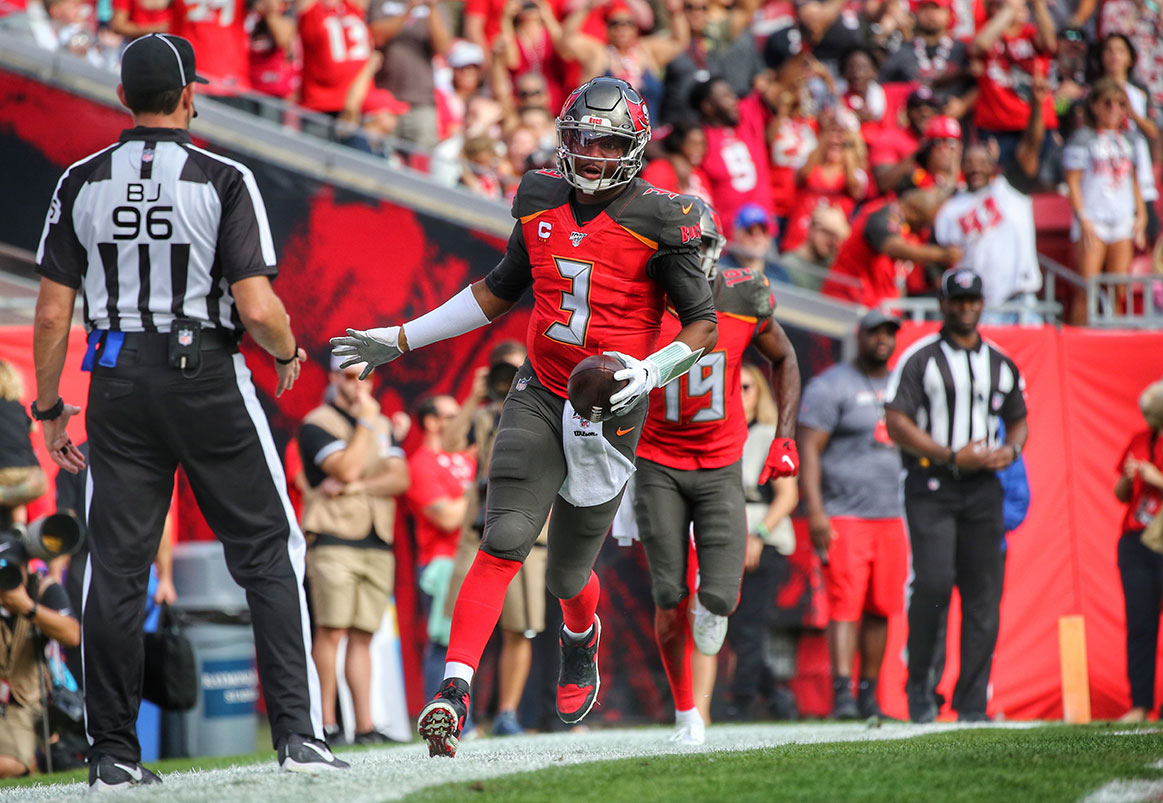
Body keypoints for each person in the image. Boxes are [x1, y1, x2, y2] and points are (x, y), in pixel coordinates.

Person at [331, 76, 718, 758]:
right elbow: (495, 293)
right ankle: (453, 689)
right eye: (579, 139)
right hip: (540, 389)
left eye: (605, 143)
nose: (590, 154)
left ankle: (580, 635)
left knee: (568, 575)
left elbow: (702, 324)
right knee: (503, 537)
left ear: (632, 148)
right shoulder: (539, 196)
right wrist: (398, 339)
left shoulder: (663, 216)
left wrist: (647, 370)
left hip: (612, 403)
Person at [31, 34, 346, 789]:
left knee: (115, 569)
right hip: (203, 370)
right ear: (189, 95)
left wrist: (49, 408)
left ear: (120, 99)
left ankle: (110, 753)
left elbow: (49, 315)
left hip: (115, 379)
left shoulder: (79, 181)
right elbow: (258, 305)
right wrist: (287, 349)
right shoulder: (223, 177)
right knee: (271, 549)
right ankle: (299, 735)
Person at [633, 197, 801, 745]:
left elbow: (785, 358)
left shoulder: (744, 294)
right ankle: (686, 714)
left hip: (721, 462)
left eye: (698, 247)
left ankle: (704, 652)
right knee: (667, 598)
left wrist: (784, 437)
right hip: (657, 460)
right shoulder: (639, 300)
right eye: (679, 249)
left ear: (714, 250)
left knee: (721, 600)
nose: (691, 261)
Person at [885, 268, 1029, 723]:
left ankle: (972, 703)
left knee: (984, 593)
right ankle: (922, 691)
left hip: (984, 487)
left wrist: (1012, 449)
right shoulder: (920, 358)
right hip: (931, 484)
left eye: (973, 299)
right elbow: (896, 421)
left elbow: (1019, 416)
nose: (966, 306)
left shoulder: (1001, 362)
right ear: (943, 304)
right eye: (958, 299)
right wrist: (949, 454)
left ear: (982, 303)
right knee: (931, 583)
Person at [797, 310, 907, 720]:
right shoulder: (831, 386)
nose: (883, 339)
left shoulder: (902, 382)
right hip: (845, 513)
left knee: (881, 606)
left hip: (892, 513)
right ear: (859, 335)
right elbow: (809, 448)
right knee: (845, 605)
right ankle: (842, 695)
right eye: (875, 332)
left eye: (889, 332)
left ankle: (868, 695)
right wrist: (817, 511)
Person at [299, 357, 409, 746]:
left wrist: (357, 486)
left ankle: (364, 726)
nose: (359, 383)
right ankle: (325, 725)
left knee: (363, 635)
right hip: (332, 538)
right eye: (349, 375)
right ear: (333, 378)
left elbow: (400, 478)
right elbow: (343, 468)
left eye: (366, 374)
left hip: (377, 540)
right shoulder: (316, 423)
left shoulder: (382, 423)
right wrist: (365, 422)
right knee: (330, 632)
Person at [441, 340, 548, 736]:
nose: (512, 379)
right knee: (467, 625)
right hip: (480, 530)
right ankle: (459, 710)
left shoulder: (548, 412)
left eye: (519, 370)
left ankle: (507, 713)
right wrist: (474, 395)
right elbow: (449, 443)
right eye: (504, 372)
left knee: (519, 629)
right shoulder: (484, 414)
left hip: (530, 534)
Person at [721, 363, 799, 723]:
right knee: (733, 629)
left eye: (748, 387)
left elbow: (788, 496)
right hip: (722, 536)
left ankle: (741, 704)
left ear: (761, 393)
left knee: (749, 626)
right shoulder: (717, 434)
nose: (740, 394)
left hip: (761, 538)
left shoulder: (770, 436)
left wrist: (759, 535)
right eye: (734, 387)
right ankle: (777, 696)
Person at [933, 82, 1046, 325]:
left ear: (992, 166)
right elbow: (940, 257)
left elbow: (1032, 144)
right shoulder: (949, 209)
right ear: (962, 166)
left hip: (1021, 301)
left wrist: (1037, 106)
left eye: (982, 163)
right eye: (970, 162)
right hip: (979, 306)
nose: (975, 168)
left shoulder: (1008, 189)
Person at [1063, 78, 1148, 325]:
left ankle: (1115, 338)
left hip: (1122, 219)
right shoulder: (1083, 138)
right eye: (1107, 103)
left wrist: (1140, 217)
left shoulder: (1131, 140)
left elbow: (1134, 181)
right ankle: (1078, 339)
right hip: (1094, 219)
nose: (1114, 109)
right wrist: (1083, 218)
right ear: (1095, 106)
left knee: (1118, 290)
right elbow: (1073, 182)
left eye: (1120, 104)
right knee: (1087, 288)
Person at [406, 395, 475, 696]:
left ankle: (466, 718)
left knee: (469, 644)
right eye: (451, 417)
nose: (460, 424)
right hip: (441, 564)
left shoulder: (467, 457)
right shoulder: (420, 462)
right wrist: (481, 495)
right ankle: (441, 716)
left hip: (472, 560)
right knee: (443, 644)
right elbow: (446, 517)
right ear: (431, 422)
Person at [0, 558, 81, 777]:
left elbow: (73, 635)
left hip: (25, 699)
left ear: (25, 569)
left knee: (12, 763)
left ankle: (44, 750)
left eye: (11, 572)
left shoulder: (42, 589)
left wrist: (27, 607)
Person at [1113, 379, 1163, 723]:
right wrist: (1131, 478)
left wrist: (1156, 476)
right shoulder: (1140, 439)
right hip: (1136, 541)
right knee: (1140, 625)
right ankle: (1140, 705)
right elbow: (1119, 493)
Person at [820, 189, 961, 308]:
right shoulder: (883, 213)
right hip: (846, 302)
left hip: (878, 307)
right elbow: (892, 246)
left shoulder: (910, 231)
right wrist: (942, 255)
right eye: (924, 222)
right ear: (913, 212)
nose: (925, 228)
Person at [0, 361, 46, 529]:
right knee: (18, 495)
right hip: (28, 473)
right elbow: (33, 428)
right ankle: (18, 524)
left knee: (7, 483)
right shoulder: (18, 407)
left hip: (3, 471)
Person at [775, 205, 849, 292]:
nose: (831, 240)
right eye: (825, 232)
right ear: (810, 229)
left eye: (835, 235)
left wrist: (844, 231)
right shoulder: (788, 264)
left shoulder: (834, 266)